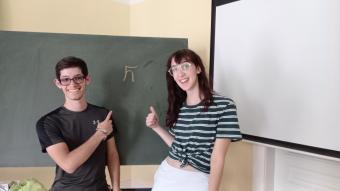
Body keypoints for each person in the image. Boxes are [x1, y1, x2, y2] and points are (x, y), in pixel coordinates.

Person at [145, 49, 242, 191]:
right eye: (174, 69)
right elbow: (178, 146)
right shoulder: (179, 106)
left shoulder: (224, 105)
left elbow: (218, 158)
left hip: (195, 181)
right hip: (165, 175)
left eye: (185, 66)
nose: (180, 74)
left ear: (198, 68)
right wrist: (156, 127)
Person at [36, 56, 120, 191]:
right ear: (58, 83)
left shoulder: (104, 115)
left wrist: (116, 188)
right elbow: (68, 165)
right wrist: (100, 134)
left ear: (87, 80)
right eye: (65, 79)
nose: (73, 84)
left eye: (78, 78)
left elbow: (112, 154)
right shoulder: (48, 122)